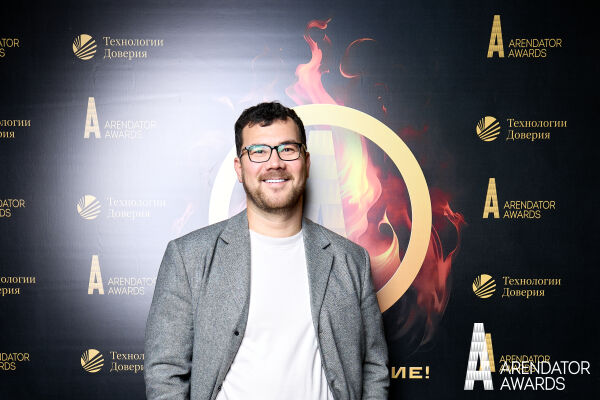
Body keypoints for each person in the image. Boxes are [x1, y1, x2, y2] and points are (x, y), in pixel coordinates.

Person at [145, 102, 389, 400]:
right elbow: (165, 373)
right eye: (258, 151)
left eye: (288, 149)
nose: (275, 163)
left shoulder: (351, 260)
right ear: (239, 168)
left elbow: (374, 365)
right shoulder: (188, 258)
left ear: (306, 162)